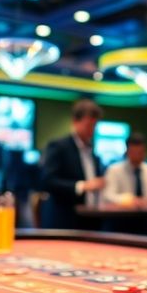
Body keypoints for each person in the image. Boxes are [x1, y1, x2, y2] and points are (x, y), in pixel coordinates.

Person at [38, 98, 105, 229]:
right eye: (88, 125)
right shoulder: (58, 146)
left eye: (94, 125)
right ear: (75, 121)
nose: (91, 130)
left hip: (89, 220)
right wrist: (81, 186)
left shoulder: (93, 152)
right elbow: (47, 181)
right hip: (63, 221)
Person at [103, 133, 147, 209]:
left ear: (145, 152)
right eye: (134, 152)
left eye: (140, 153)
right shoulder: (114, 170)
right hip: (121, 216)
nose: (137, 156)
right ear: (127, 152)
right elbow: (107, 196)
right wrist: (127, 200)